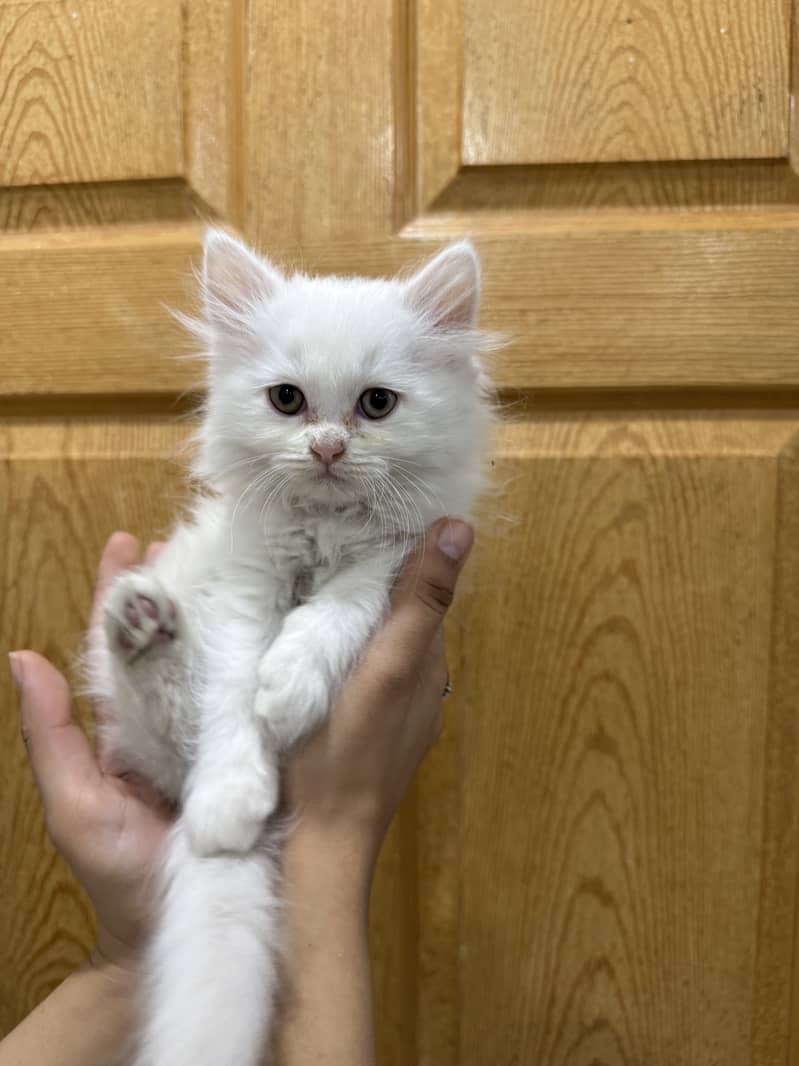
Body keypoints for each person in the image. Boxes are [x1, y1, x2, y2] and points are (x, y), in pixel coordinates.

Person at [1, 517, 474, 1066]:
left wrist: (129, 954)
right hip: (209, 767)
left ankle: (166, 686)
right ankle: (167, 688)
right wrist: (328, 837)